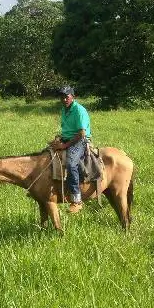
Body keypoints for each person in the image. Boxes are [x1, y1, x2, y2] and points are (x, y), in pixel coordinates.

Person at [49, 85, 91, 214]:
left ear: (73, 97)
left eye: (66, 96)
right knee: (46, 155)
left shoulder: (79, 110)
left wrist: (64, 146)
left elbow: (81, 133)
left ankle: (76, 200)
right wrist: (59, 139)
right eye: (62, 97)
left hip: (80, 140)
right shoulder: (64, 109)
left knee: (71, 163)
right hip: (68, 139)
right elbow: (67, 129)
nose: (64, 99)